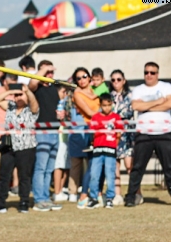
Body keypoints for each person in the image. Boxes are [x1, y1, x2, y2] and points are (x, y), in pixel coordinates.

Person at [125, 62, 171, 207]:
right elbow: (136, 106)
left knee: (169, 168)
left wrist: (146, 106)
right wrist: (159, 102)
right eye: (146, 72)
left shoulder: (166, 86)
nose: (149, 75)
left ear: (157, 74)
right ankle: (130, 196)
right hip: (144, 133)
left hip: (164, 132)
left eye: (152, 72)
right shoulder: (139, 89)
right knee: (138, 167)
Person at [0, 83, 39, 213]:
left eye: (20, 95)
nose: (18, 98)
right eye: (16, 96)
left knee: (24, 177)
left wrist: (27, 91)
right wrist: (11, 92)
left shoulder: (31, 110)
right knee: (4, 176)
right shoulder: (10, 107)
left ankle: (24, 202)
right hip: (9, 146)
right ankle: (0, 203)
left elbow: (34, 103)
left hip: (26, 147)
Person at [31, 60, 62, 212]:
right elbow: (32, 83)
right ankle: (39, 199)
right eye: (47, 71)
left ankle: (46, 198)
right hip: (42, 133)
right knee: (40, 168)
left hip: (55, 132)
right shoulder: (36, 88)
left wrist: (61, 115)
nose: (50, 74)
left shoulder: (54, 89)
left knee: (49, 169)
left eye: (52, 72)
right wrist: (44, 70)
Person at [70, 67, 100, 209]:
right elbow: (89, 112)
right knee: (92, 163)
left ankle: (97, 193)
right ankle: (83, 194)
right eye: (78, 78)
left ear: (89, 77)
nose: (82, 80)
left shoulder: (96, 90)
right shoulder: (77, 94)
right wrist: (105, 115)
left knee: (102, 163)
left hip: (102, 128)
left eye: (84, 76)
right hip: (90, 130)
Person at [87, 93, 123, 209]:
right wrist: (94, 143)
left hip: (110, 151)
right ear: (100, 105)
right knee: (94, 174)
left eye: (109, 105)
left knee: (110, 174)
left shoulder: (116, 117)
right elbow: (92, 134)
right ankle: (93, 198)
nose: (107, 108)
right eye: (104, 105)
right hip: (98, 150)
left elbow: (119, 134)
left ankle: (109, 198)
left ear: (112, 104)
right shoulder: (96, 117)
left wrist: (114, 146)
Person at [109, 69, 136, 205]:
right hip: (113, 133)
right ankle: (117, 194)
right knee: (115, 166)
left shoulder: (131, 95)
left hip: (127, 133)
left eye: (118, 79)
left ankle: (136, 193)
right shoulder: (108, 96)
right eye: (113, 80)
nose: (116, 82)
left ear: (124, 81)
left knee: (130, 165)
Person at [53, 85, 70, 202]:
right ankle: (57, 191)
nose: (65, 94)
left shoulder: (66, 102)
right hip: (60, 136)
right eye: (63, 91)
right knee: (59, 165)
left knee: (66, 165)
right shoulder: (60, 103)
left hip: (67, 135)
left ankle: (61, 188)